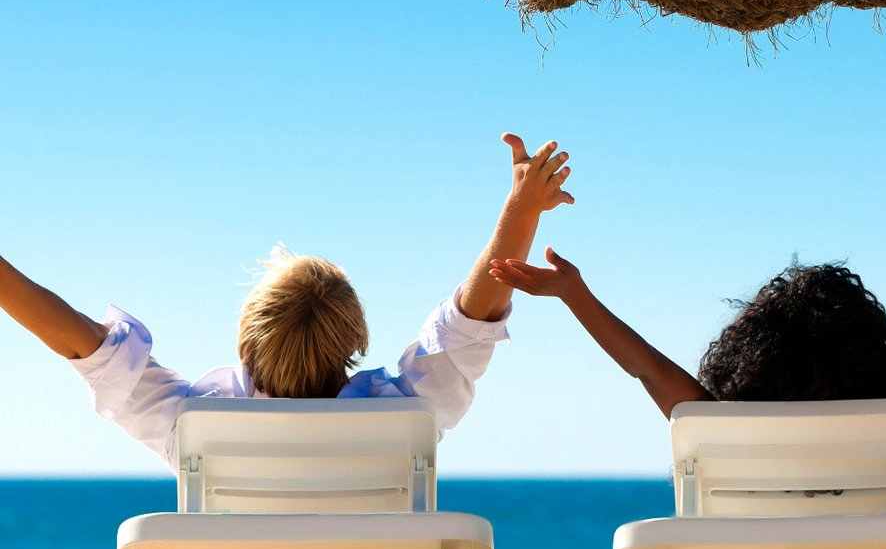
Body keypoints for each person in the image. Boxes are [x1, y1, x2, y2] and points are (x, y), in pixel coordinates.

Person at [0, 133, 573, 468]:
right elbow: (469, 323)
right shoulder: (405, 413)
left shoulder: (196, 423)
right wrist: (521, 211)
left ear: (246, 339)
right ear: (356, 341)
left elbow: (87, 345)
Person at [489, 211, 886, 431]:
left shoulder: (713, 422)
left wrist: (574, 294)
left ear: (748, 349)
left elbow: (643, 367)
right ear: (874, 347)